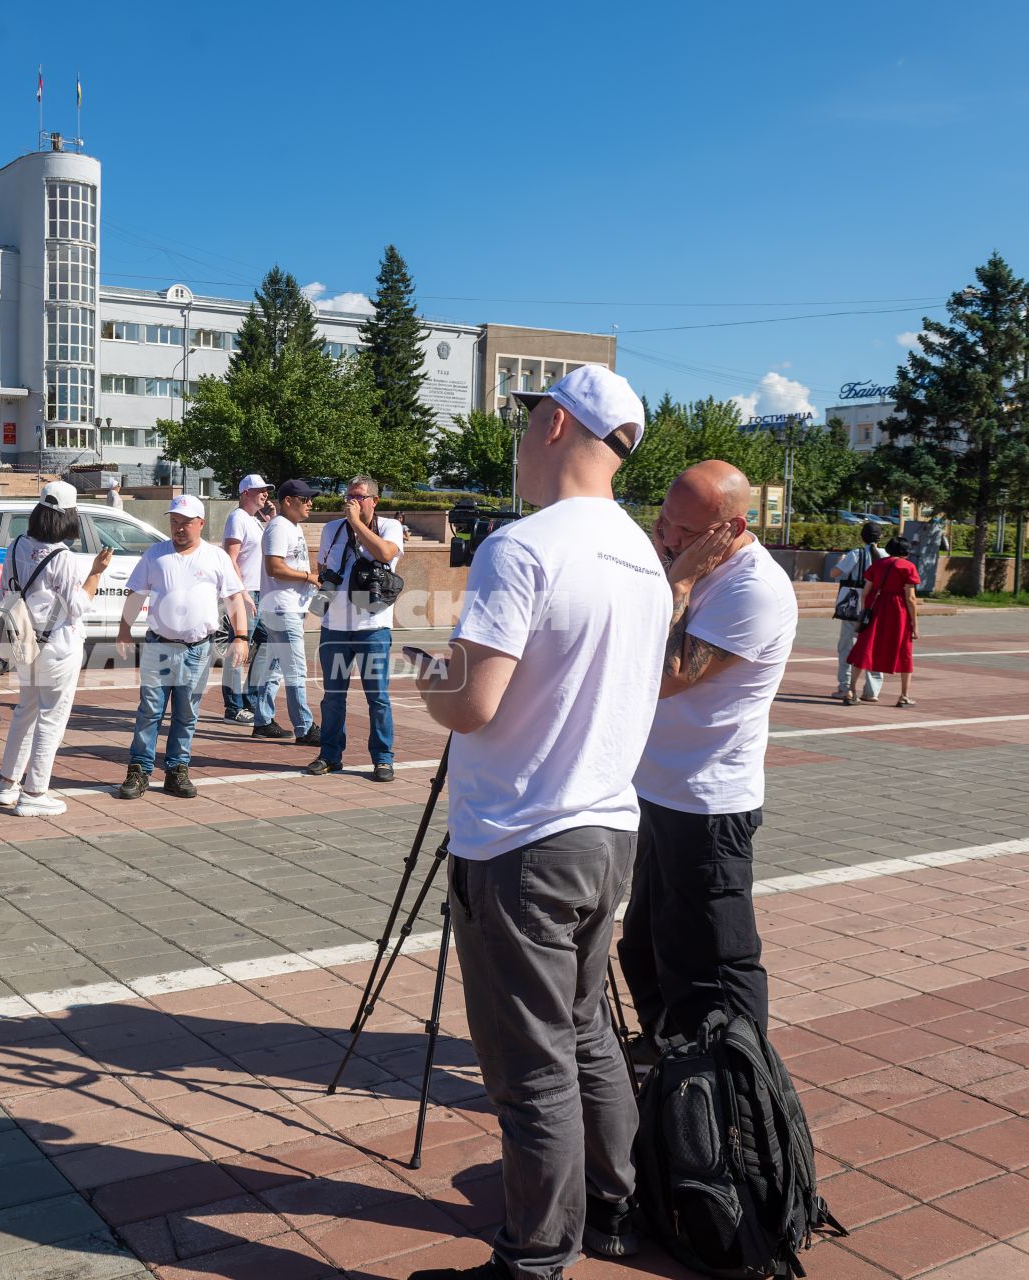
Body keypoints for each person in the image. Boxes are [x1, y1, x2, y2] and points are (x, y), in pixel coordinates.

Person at [406, 365, 670, 1280]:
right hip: (607, 831)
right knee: (589, 1031)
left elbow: (473, 703)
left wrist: (424, 671)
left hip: (521, 839)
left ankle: (534, 1259)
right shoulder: (645, 558)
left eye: (525, 426)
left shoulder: (524, 548)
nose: (517, 442)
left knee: (531, 1072)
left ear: (555, 424)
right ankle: (612, 1209)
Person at [620, 460, 798, 1054]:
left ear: (733, 527)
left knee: (714, 962)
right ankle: (671, 1058)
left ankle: (735, 1086)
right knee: (646, 944)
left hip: (709, 801)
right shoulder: (688, 563)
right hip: (658, 788)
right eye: (663, 522)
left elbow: (666, 675)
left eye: (685, 532)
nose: (668, 539)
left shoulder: (754, 588)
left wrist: (675, 585)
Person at [116, 495, 249, 800]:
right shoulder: (155, 554)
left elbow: (234, 599)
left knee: (187, 713)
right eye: (174, 522)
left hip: (197, 649)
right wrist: (124, 631)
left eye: (185, 523)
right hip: (158, 647)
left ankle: (177, 769)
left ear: (201, 523)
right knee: (149, 711)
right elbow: (136, 595)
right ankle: (139, 769)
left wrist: (240, 637)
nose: (178, 528)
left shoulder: (216, 558)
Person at [0, 482, 113, 817]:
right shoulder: (64, 557)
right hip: (58, 646)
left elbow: (6, 593)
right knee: (52, 718)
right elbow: (77, 606)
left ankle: (7, 785)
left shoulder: (16, 544)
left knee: (24, 712)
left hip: (24, 644)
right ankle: (35, 792)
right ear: (69, 517)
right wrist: (96, 574)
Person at [305, 476, 405, 782]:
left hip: (372, 627)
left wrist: (356, 523)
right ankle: (330, 755)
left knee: (377, 697)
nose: (352, 501)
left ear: (374, 500)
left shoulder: (390, 527)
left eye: (359, 496)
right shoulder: (331, 529)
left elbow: (385, 554)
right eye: (349, 496)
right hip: (334, 626)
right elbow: (325, 569)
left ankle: (383, 759)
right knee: (333, 696)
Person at [248, 479, 321, 744]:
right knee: (296, 671)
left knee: (277, 667)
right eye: (305, 499)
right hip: (282, 609)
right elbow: (274, 568)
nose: (310, 504)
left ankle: (263, 720)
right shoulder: (279, 527)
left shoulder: (292, 526)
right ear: (288, 501)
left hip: (287, 607)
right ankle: (305, 727)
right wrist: (308, 577)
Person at [845, 536, 920, 707]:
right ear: (906, 551)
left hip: (875, 609)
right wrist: (914, 624)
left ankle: (851, 690)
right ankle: (904, 696)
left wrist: (864, 612)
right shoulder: (908, 567)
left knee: (864, 648)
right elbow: (911, 598)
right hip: (898, 613)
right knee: (904, 651)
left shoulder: (878, 564)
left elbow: (865, 592)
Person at [220, 474, 271, 725]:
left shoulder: (254, 521)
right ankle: (233, 707)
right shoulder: (237, 518)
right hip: (245, 592)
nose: (265, 494)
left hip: (258, 592)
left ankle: (250, 699)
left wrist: (270, 522)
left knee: (268, 642)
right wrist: (241, 593)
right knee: (238, 647)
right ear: (244, 493)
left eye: (266, 490)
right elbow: (230, 559)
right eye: (259, 490)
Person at [826, 522, 886, 702]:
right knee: (874, 647)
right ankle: (872, 690)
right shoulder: (885, 555)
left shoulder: (855, 554)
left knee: (847, 647)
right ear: (880, 537)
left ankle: (845, 687)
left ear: (862, 537)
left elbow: (833, 573)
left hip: (853, 607)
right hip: (877, 606)